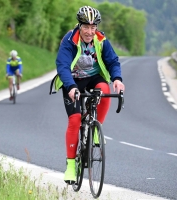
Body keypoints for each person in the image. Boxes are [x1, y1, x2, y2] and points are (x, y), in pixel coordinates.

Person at [53, 6, 125, 184]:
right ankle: (70, 166)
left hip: (93, 77)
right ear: (79, 26)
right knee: (75, 120)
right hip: (72, 80)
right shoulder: (70, 40)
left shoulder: (101, 40)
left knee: (105, 89)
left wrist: (117, 78)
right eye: (86, 27)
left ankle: (95, 127)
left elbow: (112, 61)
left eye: (93, 27)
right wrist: (70, 87)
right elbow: (62, 65)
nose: (90, 31)